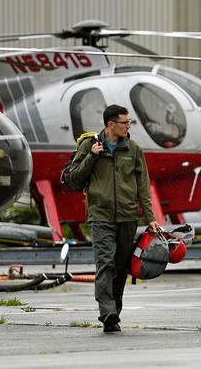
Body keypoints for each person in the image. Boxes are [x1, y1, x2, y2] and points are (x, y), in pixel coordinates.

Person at [67, 104, 161, 333]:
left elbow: (142, 187)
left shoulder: (134, 148)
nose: (129, 126)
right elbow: (74, 179)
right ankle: (107, 312)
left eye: (129, 122)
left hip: (128, 217)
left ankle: (114, 313)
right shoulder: (90, 145)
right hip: (100, 216)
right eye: (125, 122)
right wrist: (91, 156)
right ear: (111, 124)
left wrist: (151, 218)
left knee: (120, 267)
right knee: (105, 264)